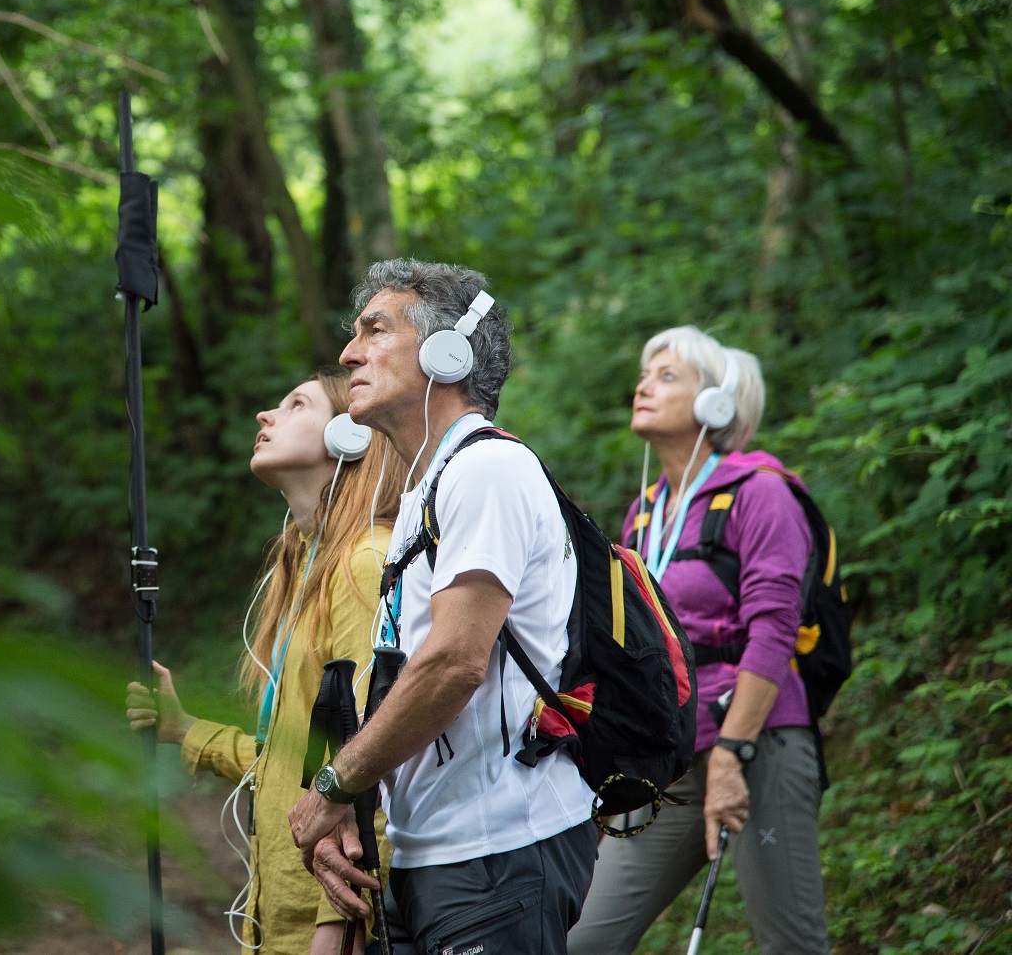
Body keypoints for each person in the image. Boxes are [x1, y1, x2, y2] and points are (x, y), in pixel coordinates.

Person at [289, 259, 598, 955]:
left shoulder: (488, 469)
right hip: (437, 853)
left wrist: (337, 784)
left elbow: (454, 663)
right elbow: (404, 676)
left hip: (499, 850)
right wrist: (357, 808)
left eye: (374, 330)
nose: (348, 353)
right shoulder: (431, 490)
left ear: (445, 352)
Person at [567, 326, 829, 954]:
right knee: (581, 941)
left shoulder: (760, 493)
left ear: (715, 404)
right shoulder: (644, 513)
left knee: (789, 946)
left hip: (755, 743)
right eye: (644, 372)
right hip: (672, 754)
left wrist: (734, 754)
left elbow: (775, 629)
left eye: (667, 375)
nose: (643, 384)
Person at [124, 368, 402, 955]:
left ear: (348, 438)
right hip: (275, 913)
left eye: (296, 404)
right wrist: (186, 731)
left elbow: (377, 749)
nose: (264, 416)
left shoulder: (363, 564)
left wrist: (340, 923)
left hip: (327, 919)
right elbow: (293, 759)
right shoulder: (305, 570)